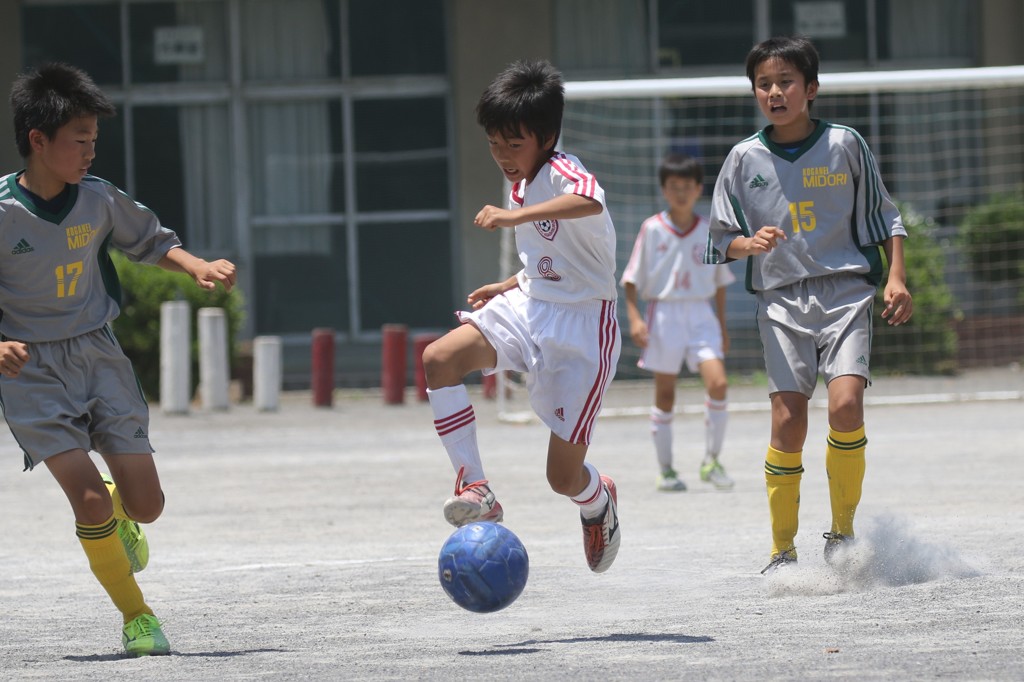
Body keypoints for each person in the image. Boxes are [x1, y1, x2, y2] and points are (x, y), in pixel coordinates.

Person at [0, 63, 237, 655]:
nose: (88, 152)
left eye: (93, 141)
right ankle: (138, 617)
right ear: (38, 140)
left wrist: (197, 266)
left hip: (98, 356)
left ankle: (122, 513)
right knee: (85, 499)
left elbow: (153, 242)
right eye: (79, 140)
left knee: (148, 508)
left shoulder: (99, 200)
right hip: (29, 370)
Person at [704, 36, 913, 574]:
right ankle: (782, 550)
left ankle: (842, 532)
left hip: (845, 293)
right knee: (787, 420)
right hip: (779, 300)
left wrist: (895, 279)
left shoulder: (846, 144)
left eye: (786, 82)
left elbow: (886, 218)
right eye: (764, 84)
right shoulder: (743, 157)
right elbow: (720, 239)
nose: (775, 92)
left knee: (845, 407)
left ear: (811, 89)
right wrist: (748, 245)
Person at [422, 59, 622, 573]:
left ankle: (597, 499)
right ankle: (476, 487)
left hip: (583, 328)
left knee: (562, 477)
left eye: (514, 145)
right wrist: (510, 283)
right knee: (439, 359)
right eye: (494, 144)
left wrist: (512, 215)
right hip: (531, 305)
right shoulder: (521, 180)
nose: (504, 157)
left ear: (547, 135)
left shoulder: (561, 170)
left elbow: (588, 202)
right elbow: (552, 259)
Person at [621, 153, 736, 493]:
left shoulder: (709, 230)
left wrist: (723, 327)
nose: (681, 193)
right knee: (666, 393)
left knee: (718, 384)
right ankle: (667, 469)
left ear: (699, 189)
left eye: (687, 186)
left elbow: (719, 282)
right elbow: (630, 279)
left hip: (701, 314)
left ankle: (712, 461)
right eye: (674, 187)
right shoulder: (652, 228)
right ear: (664, 190)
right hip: (664, 313)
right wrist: (635, 317)